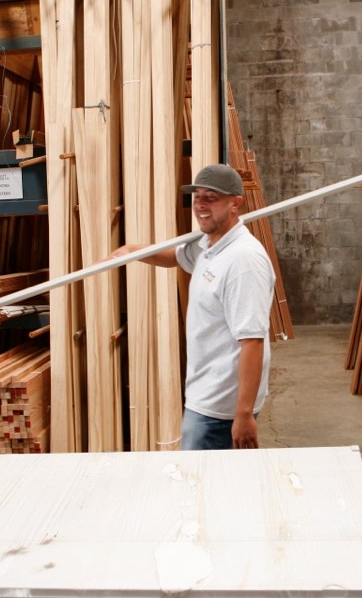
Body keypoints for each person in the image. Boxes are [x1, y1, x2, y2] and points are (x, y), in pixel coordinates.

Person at [110, 164, 275, 450]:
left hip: (221, 409)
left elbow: (253, 340)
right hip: (205, 394)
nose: (200, 205)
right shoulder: (209, 246)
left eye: (211, 198)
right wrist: (132, 251)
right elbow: (175, 257)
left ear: (235, 203)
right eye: (197, 196)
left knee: (203, 476)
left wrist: (244, 414)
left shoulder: (243, 260)